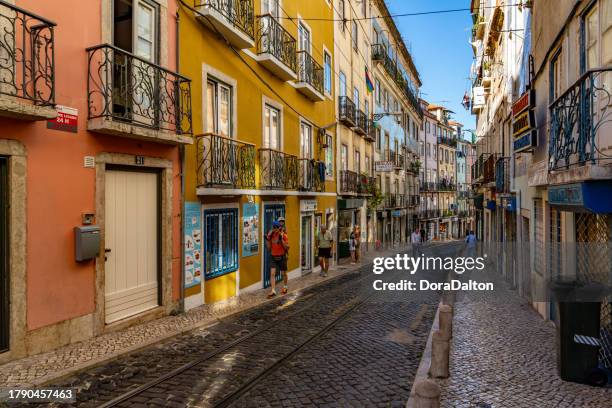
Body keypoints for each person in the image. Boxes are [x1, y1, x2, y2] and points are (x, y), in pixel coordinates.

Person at [266, 220, 289, 298]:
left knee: (283, 274)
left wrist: (281, 239)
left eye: (276, 227)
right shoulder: (271, 235)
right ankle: (273, 290)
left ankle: (285, 286)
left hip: (282, 257)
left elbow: (287, 247)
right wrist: (268, 239)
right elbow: (269, 248)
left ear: (279, 228)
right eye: (274, 227)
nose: (275, 229)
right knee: (272, 273)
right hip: (273, 257)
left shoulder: (284, 235)